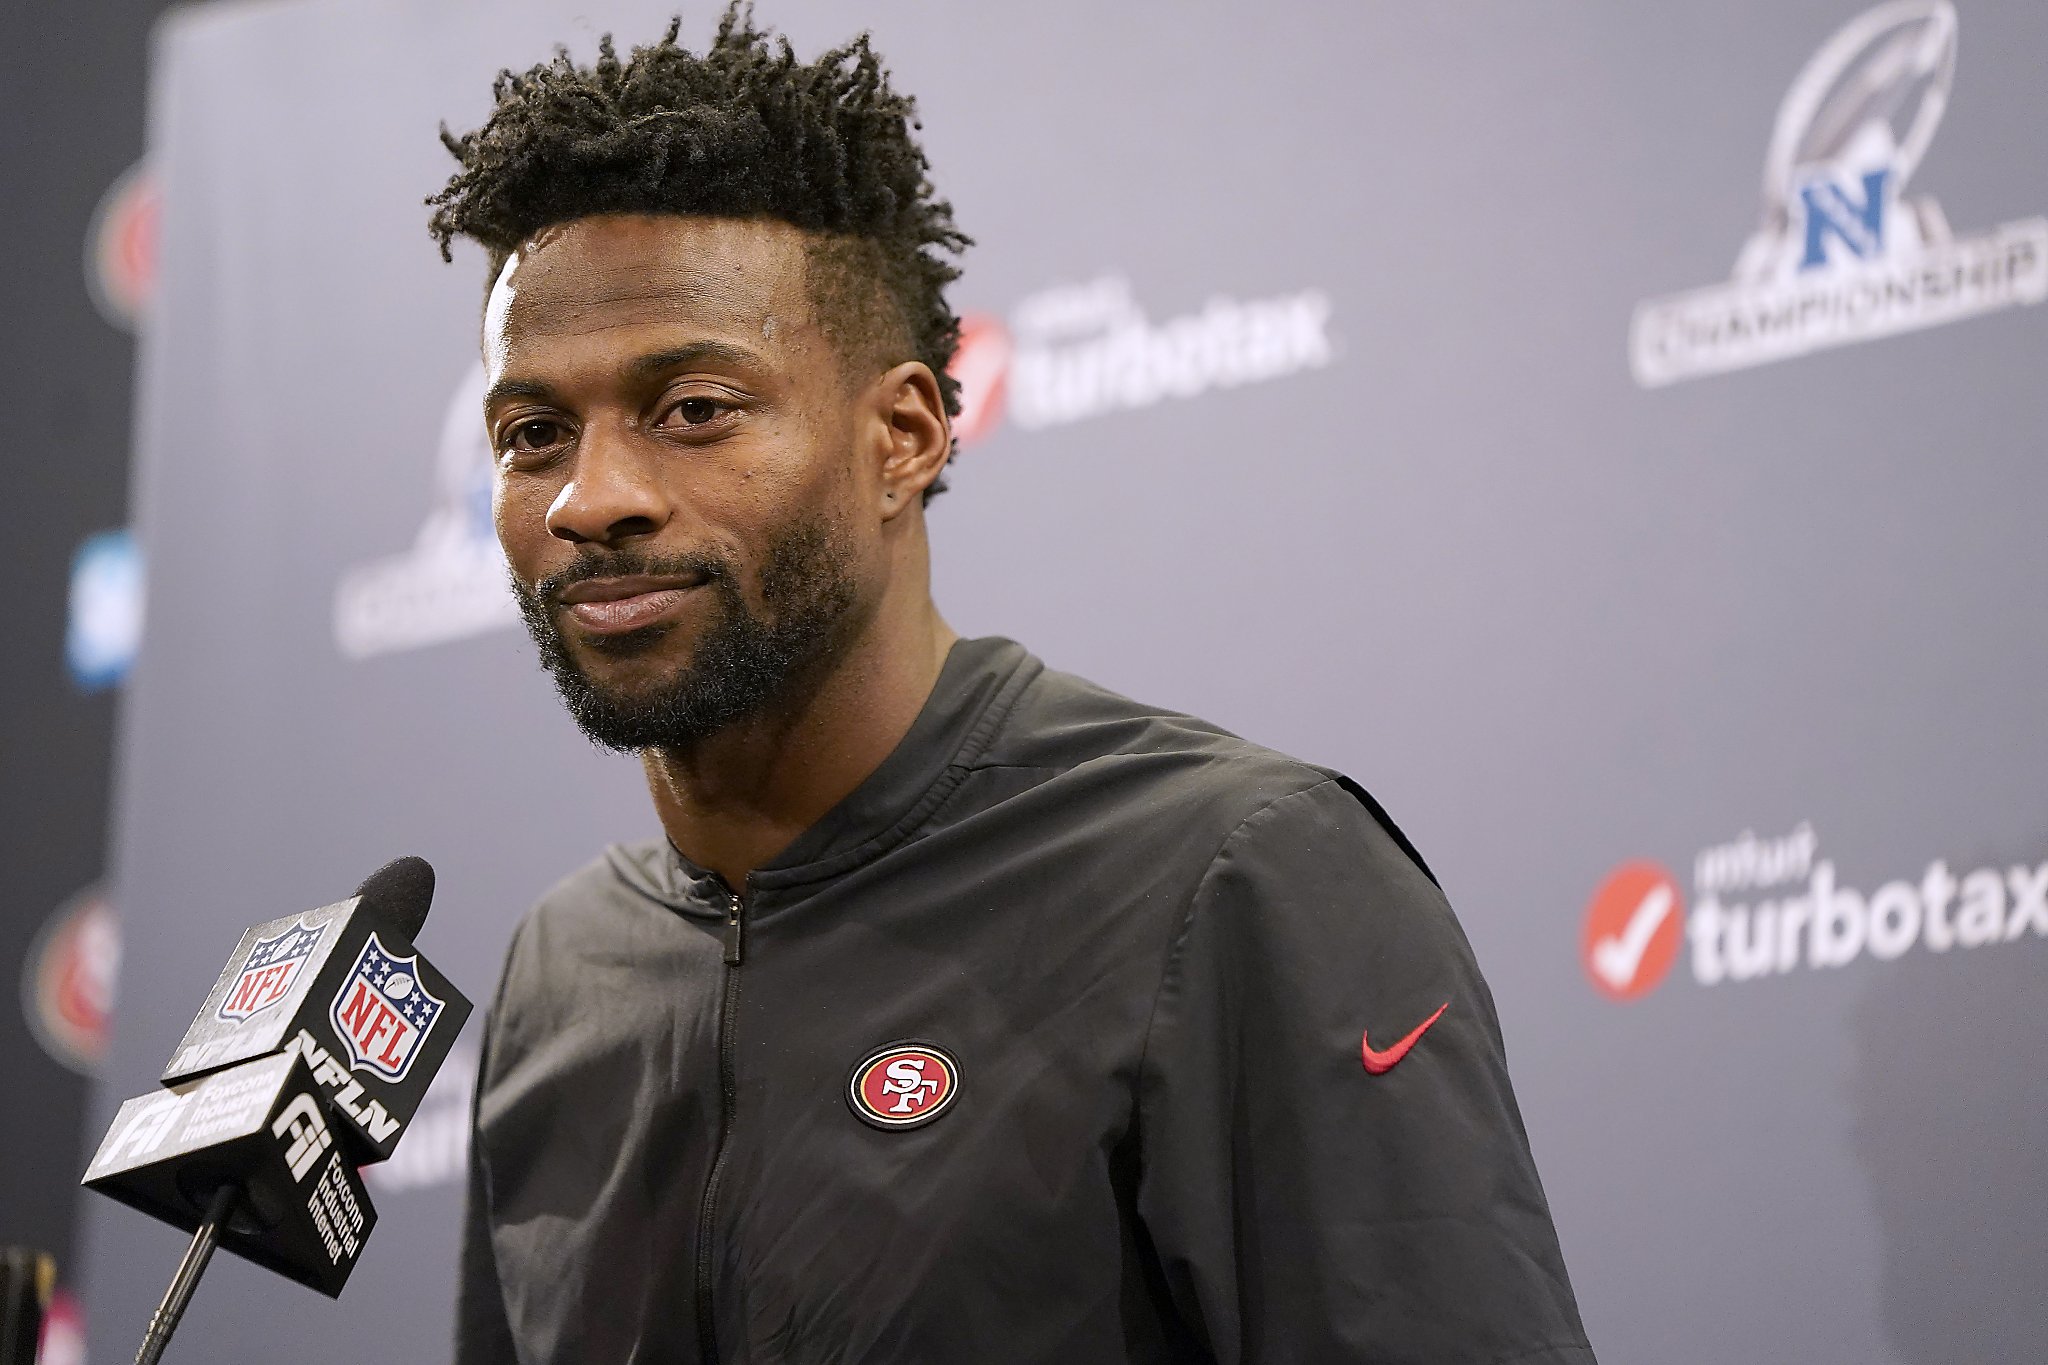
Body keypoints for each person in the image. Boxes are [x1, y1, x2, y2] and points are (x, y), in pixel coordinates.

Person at [430, 9, 1595, 1363]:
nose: (594, 497)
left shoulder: (1237, 880)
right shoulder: (557, 980)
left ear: (904, 437)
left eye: (694, 408)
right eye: (533, 434)